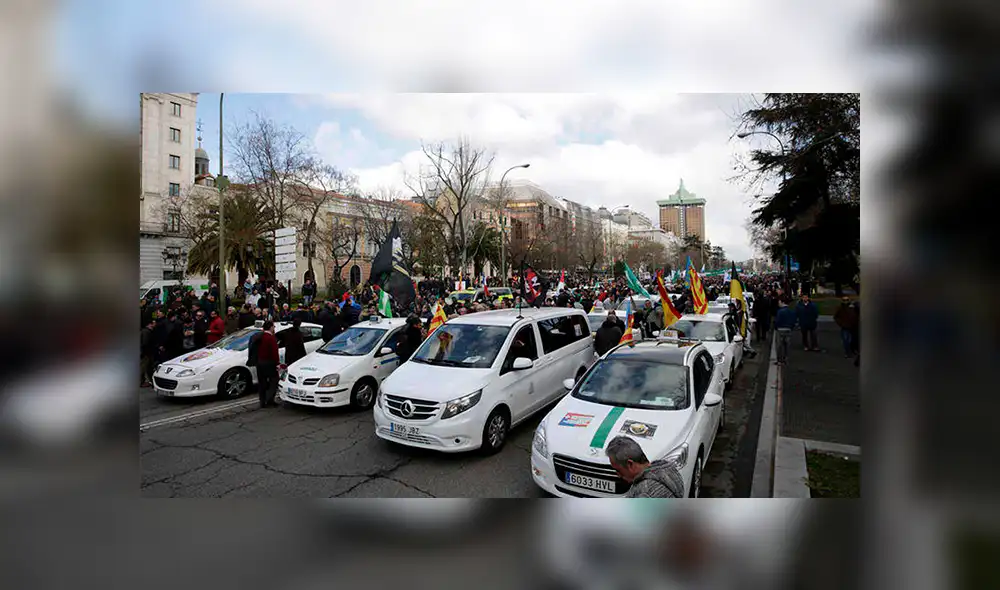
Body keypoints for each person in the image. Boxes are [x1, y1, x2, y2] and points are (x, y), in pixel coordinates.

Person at [605, 435, 685, 497]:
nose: (618, 475)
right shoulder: (668, 470)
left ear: (630, 464)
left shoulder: (645, 492)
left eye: (618, 470)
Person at [253, 320, 280, 408]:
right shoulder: (271, 338)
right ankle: (270, 399)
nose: (274, 328)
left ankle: (262, 401)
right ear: (271, 327)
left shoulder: (259, 336)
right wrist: (278, 364)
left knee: (262, 383)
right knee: (274, 381)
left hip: (259, 362)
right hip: (269, 363)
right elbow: (274, 352)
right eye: (273, 326)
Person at [774, 298, 797, 365]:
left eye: (779, 302)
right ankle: (786, 359)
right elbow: (794, 320)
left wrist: (776, 327)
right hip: (788, 329)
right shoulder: (791, 311)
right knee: (787, 345)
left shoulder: (780, 311)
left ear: (782, 302)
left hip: (780, 329)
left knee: (779, 345)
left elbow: (777, 321)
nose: (778, 304)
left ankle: (779, 360)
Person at [140, 319, 156, 387]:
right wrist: (145, 353)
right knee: (143, 368)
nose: (155, 324)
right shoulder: (146, 332)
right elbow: (145, 343)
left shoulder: (145, 331)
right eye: (154, 323)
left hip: (145, 353)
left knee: (146, 367)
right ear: (150, 324)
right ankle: (141, 382)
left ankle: (146, 381)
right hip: (146, 353)